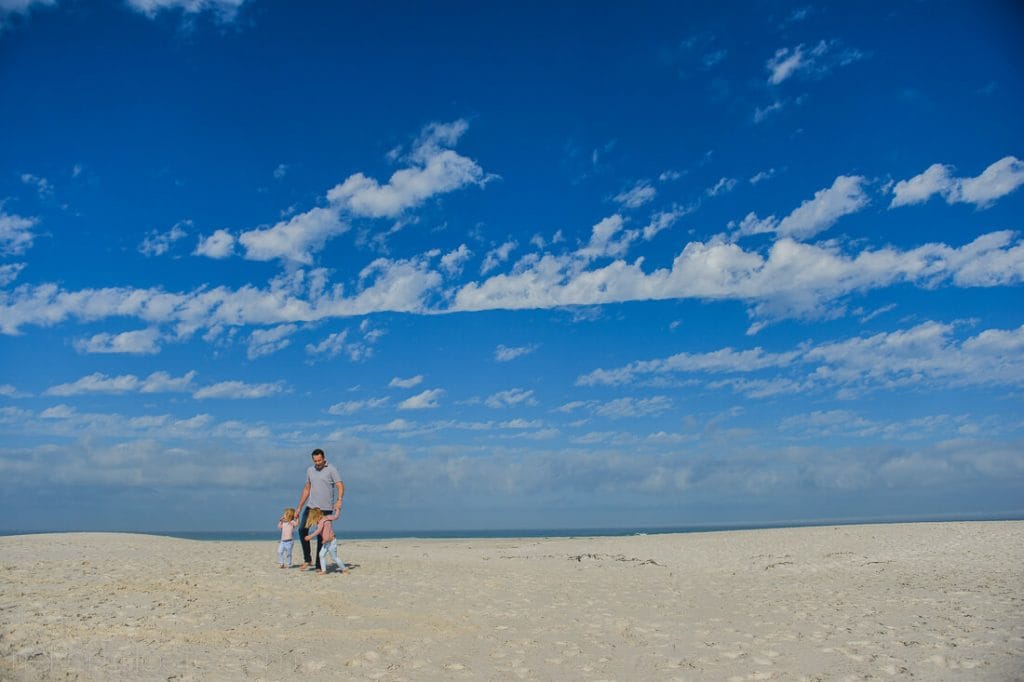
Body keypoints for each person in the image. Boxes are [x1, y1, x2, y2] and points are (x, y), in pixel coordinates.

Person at [295, 448, 344, 571]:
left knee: (321, 537)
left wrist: (339, 500)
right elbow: (307, 489)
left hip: (326, 509)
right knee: (302, 530)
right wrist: (299, 507)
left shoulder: (331, 469)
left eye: (319, 460)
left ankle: (318, 565)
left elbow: (340, 485)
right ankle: (307, 559)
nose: (317, 463)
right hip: (311, 507)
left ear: (324, 458)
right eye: (315, 461)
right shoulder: (310, 470)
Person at [304, 507, 347, 575]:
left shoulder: (322, 521)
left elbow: (318, 531)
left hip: (331, 542)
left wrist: (310, 536)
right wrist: (338, 509)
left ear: (316, 516)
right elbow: (336, 516)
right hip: (326, 542)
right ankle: (324, 571)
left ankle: (344, 569)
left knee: (334, 557)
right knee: (321, 555)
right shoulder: (327, 517)